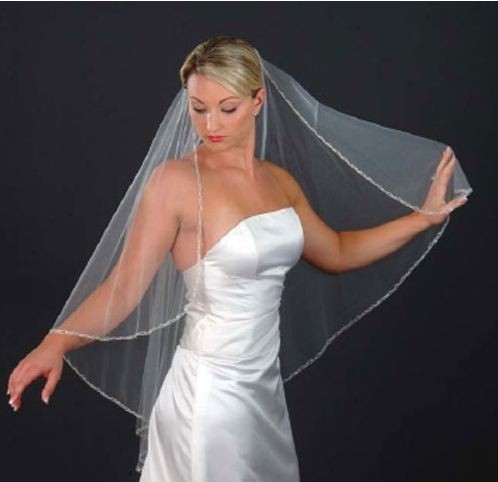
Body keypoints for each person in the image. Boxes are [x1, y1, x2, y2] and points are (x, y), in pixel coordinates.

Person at [6, 36, 471, 480]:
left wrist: (422, 218)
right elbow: (125, 287)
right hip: (208, 395)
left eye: (227, 109)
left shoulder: (278, 181)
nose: (211, 124)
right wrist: (55, 344)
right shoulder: (175, 183)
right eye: (198, 108)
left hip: (263, 393)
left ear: (257, 101)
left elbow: (337, 251)